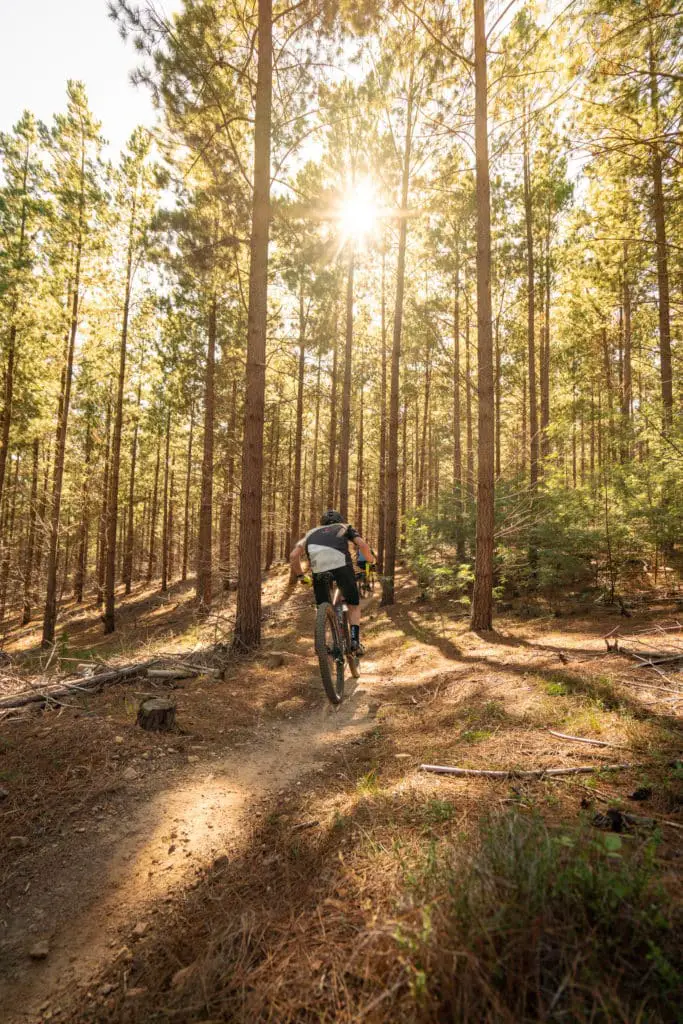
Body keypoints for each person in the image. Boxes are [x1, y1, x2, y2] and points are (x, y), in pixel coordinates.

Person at [289, 509, 374, 655]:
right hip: (342, 567)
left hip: (319, 570)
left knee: (322, 606)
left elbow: (293, 555)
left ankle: (321, 642)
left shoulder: (311, 533)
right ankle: (354, 641)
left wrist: (300, 577)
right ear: (340, 520)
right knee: (353, 605)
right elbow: (363, 546)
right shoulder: (345, 527)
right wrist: (371, 562)